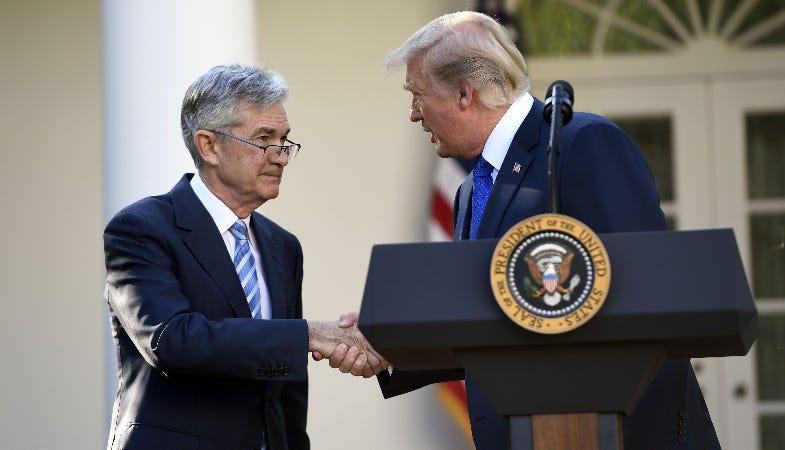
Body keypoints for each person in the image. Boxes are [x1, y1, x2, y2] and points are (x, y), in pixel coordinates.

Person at [330, 11, 721, 450]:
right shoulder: (467, 194)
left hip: (618, 433)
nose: (413, 114)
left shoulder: (581, 146)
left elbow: (648, 293)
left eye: (417, 96)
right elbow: (486, 326)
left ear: (464, 94)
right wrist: (388, 342)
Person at [104, 63, 387, 450]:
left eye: (285, 140)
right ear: (209, 146)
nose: (281, 157)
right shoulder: (141, 228)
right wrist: (310, 334)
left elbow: (286, 389)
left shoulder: (283, 246)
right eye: (264, 139)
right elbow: (172, 341)